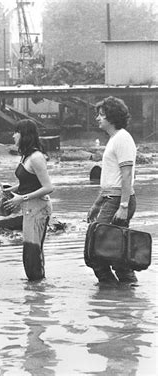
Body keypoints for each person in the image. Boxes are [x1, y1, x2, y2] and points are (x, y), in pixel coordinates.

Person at [86, 96, 137, 284]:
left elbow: (126, 175)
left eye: (101, 115)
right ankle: (125, 293)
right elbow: (110, 179)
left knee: (96, 249)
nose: (98, 118)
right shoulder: (115, 139)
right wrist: (96, 205)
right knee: (118, 253)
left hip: (118, 201)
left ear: (112, 117)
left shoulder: (122, 138)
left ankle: (110, 290)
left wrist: (123, 206)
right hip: (111, 199)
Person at [0, 119, 54, 281]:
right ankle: (36, 289)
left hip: (39, 208)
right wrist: (9, 190)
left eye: (16, 132)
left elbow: (48, 187)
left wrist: (21, 198)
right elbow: (28, 182)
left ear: (24, 135)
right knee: (30, 252)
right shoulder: (25, 156)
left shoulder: (36, 157)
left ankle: (38, 293)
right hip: (29, 208)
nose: (13, 135)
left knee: (32, 252)